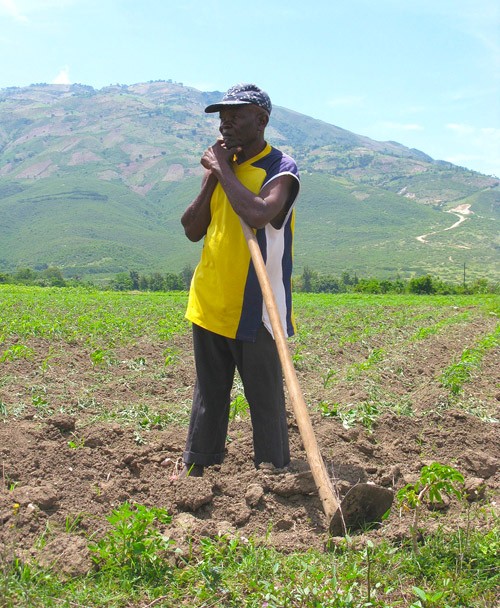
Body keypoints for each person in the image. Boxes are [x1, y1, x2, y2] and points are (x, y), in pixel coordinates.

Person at [179, 83, 300, 477]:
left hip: (257, 308)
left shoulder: (281, 169)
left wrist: (223, 170)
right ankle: (197, 469)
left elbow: (259, 213)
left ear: (262, 120)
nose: (225, 121)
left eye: (237, 113)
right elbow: (192, 229)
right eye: (221, 115)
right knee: (209, 396)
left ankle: (272, 476)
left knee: (265, 399)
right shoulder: (221, 167)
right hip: (211, 300)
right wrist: (215, 177)